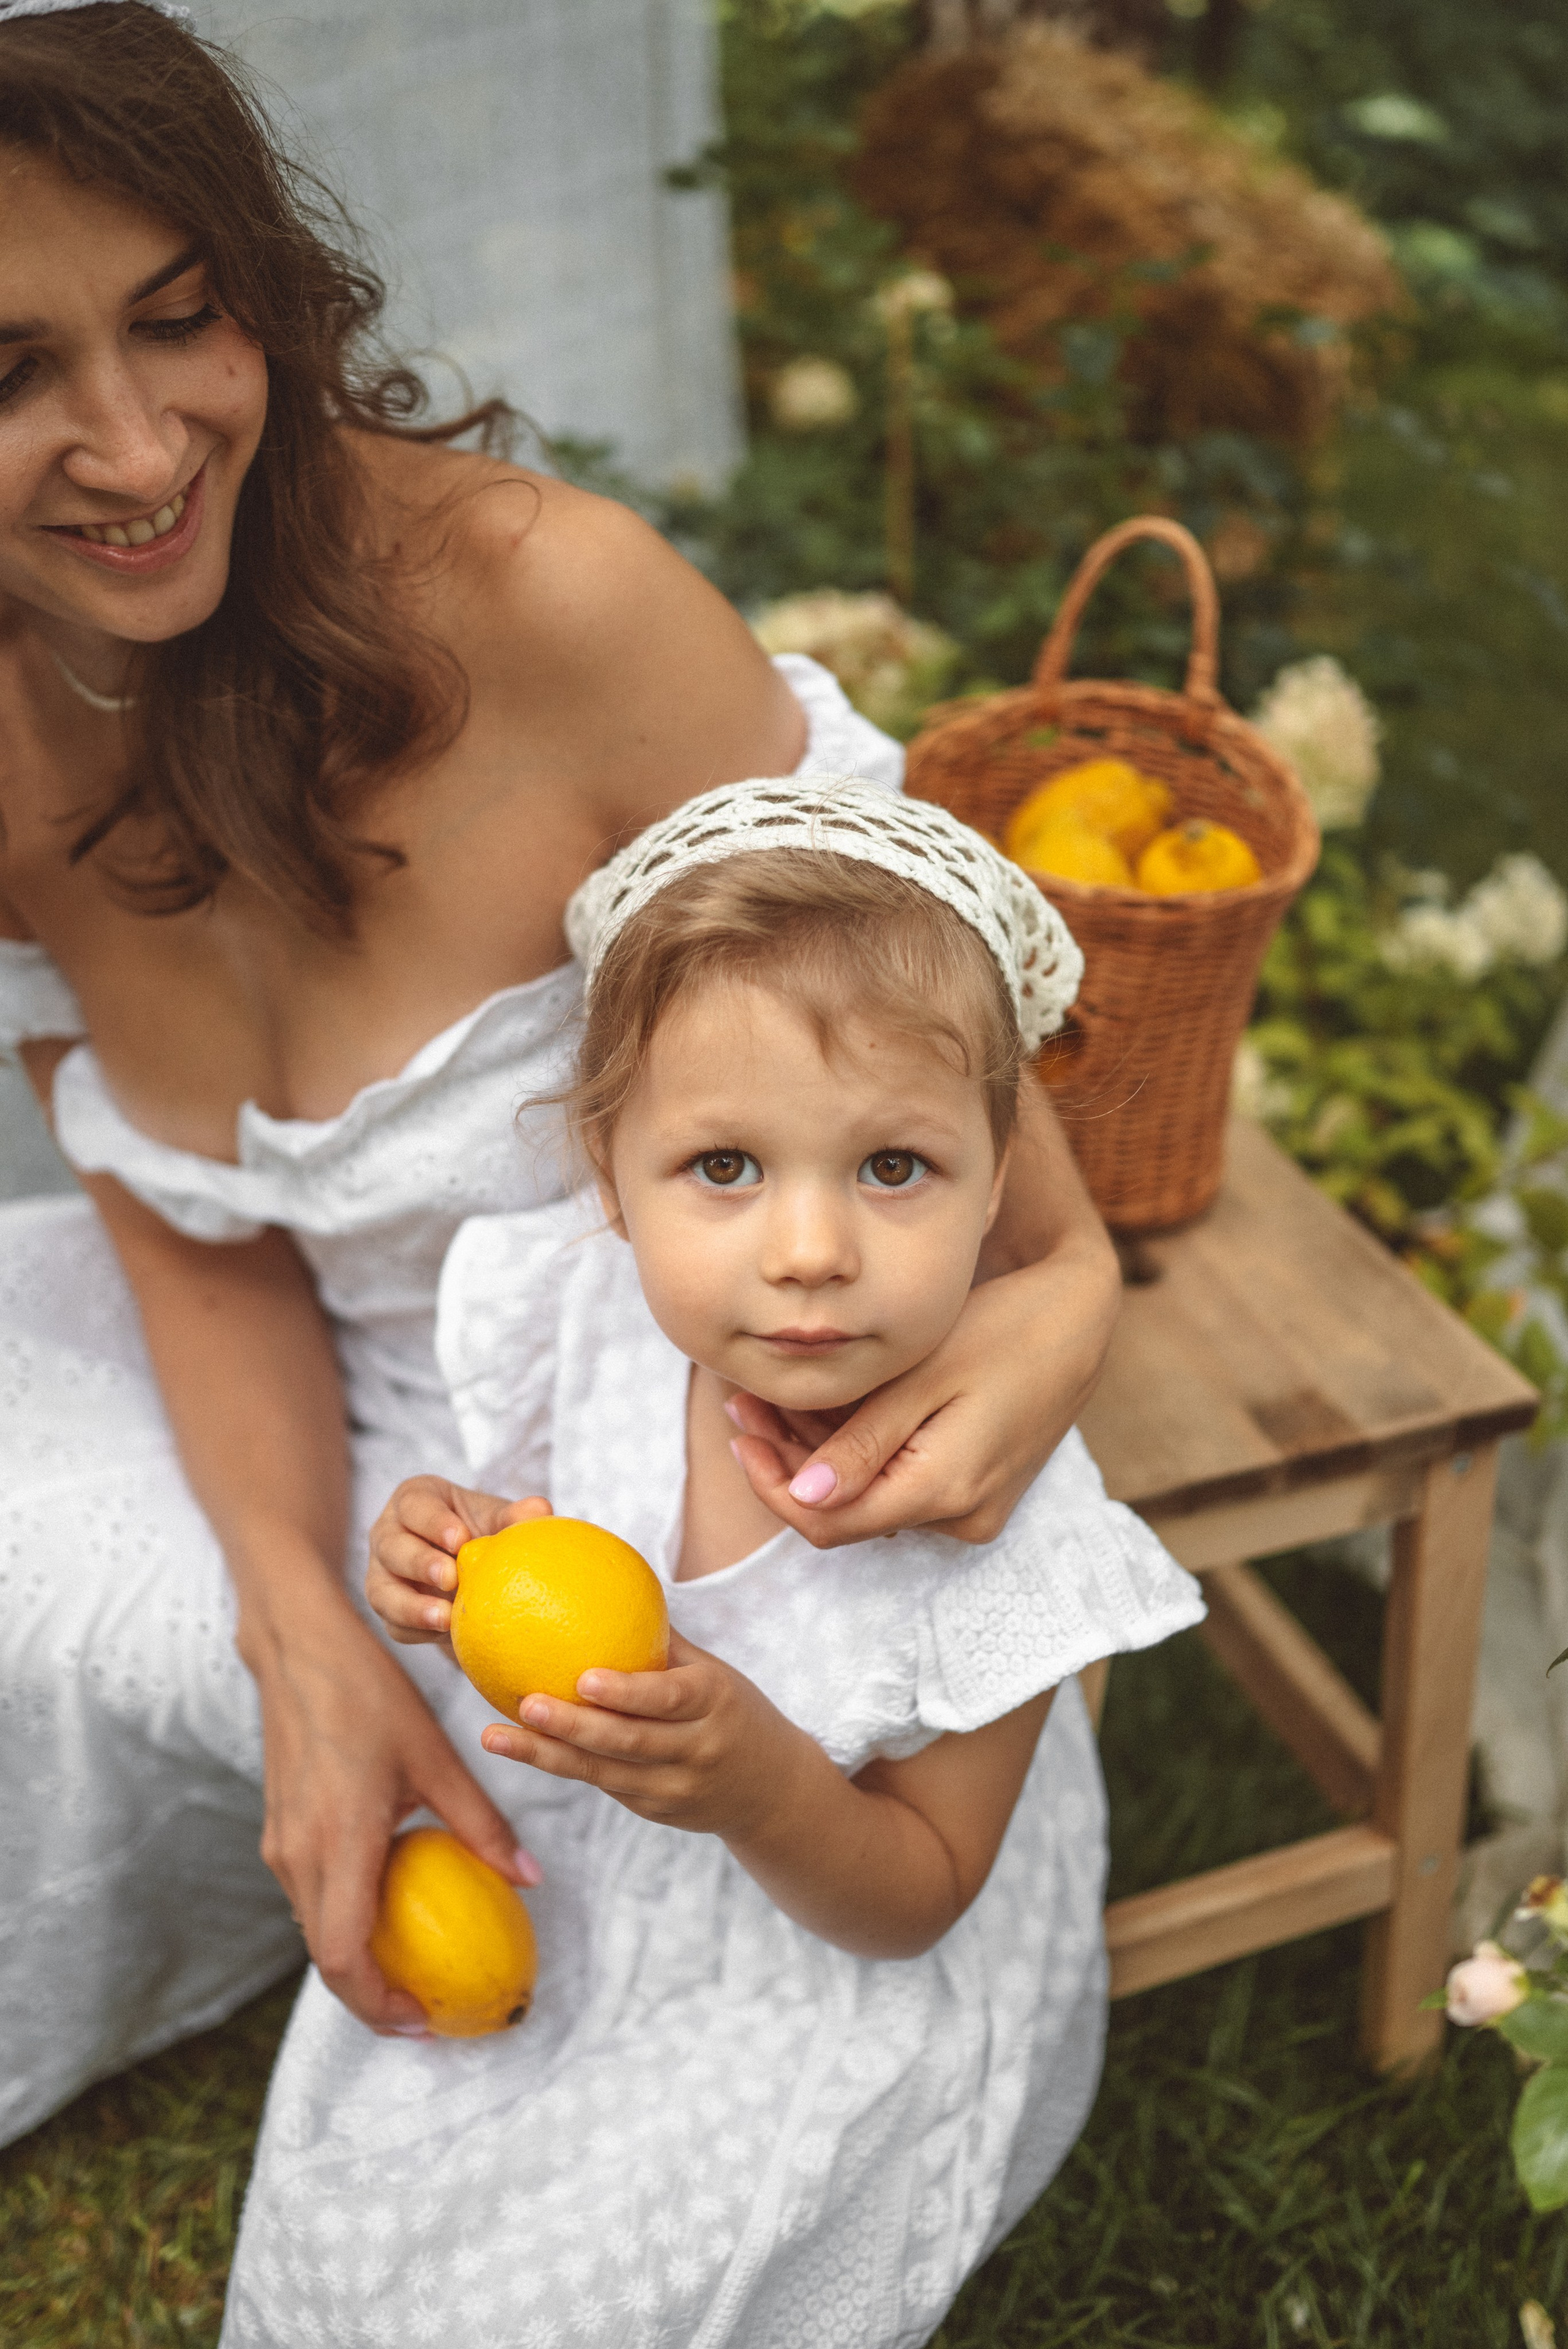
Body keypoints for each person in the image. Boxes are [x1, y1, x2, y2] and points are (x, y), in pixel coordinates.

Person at [0, 0, 1121, 2149]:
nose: (140, 453)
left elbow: (979, 1166)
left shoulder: (560, 607)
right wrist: (301, 1626)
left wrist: (1069, 1309)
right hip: (337, 1452)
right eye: (6, 374)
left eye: (182, 321)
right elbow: (201, 1223)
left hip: (669, 1449)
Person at [222, 780, 1204, 2349]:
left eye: (892, 1167)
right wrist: (452, 1535)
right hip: (591, 1854)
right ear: (608, 1174)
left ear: (997, 1171)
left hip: (826, 1922)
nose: (806, 1251)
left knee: (608, 2287)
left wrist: (759, 1784)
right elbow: (535, 1519)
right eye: (725, 1169)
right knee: (365, 2218)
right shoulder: (590, 1309)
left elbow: (917, 1896)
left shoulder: (1004, 1514)